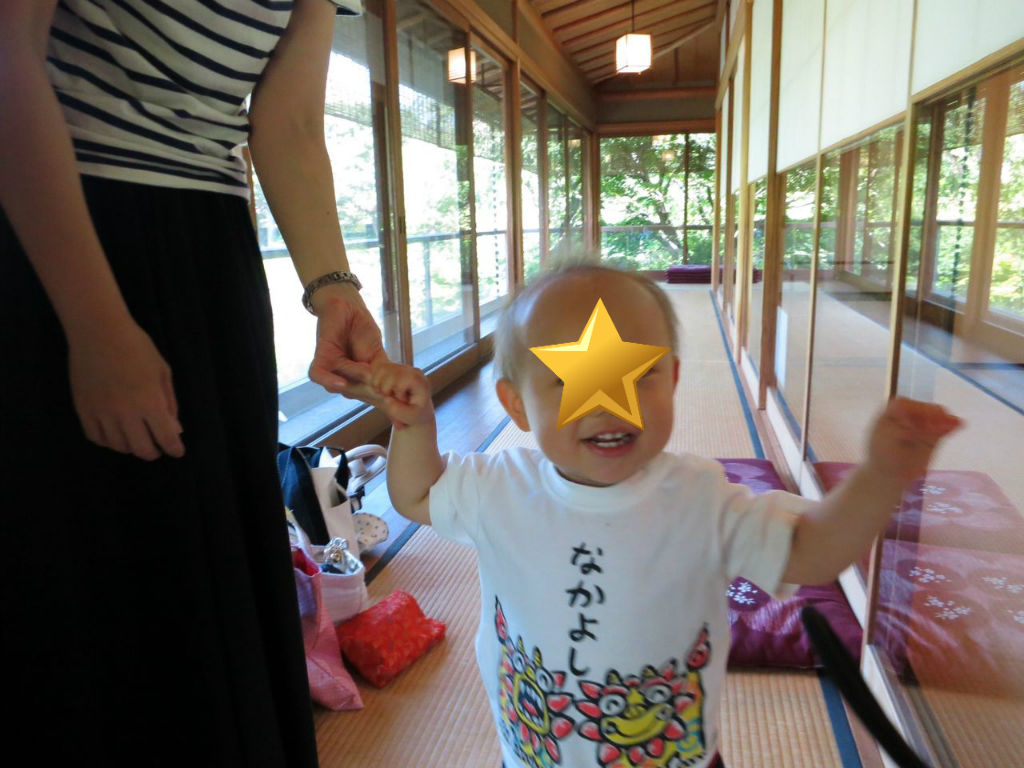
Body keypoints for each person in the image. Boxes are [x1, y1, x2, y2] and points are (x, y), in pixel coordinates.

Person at [361, 263, 961, 768]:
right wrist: (413, 427)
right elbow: (417, 496)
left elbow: (812, 552)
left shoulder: (701, 498)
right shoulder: (498, 486)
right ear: (516, 405)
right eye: (569, 380)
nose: (608, 403)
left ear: (673, 380)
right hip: (537, 753)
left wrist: (881, 475)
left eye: (640, 374)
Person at [0, 1, 384, 764]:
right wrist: (96, 324)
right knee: (108, 579)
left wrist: (334, 290)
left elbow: (290, 123)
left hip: (215, 251)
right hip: (67, 229)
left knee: (227, 564)